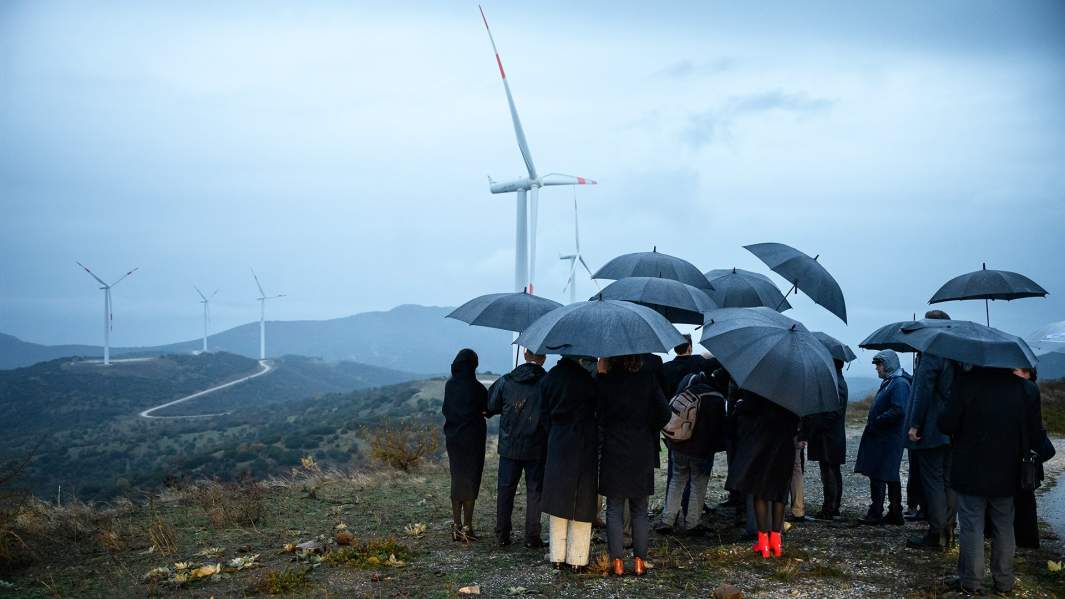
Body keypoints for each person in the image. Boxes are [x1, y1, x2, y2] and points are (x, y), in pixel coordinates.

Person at [938, 365, 1040, 596]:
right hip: (1010, 469)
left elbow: (946, 424)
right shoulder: (1027, 389)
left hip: (970, 468)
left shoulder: (966, 383)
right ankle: (1004, 582)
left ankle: (971, 582)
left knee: (972, 524)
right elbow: (1034, 431)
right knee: (1004, 524)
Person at [597, 355, 670, 576]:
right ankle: (639, 562)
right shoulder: (648, 379)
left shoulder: (607, 381)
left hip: (614, 450)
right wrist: (648, 428)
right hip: (642, 450)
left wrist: (600, 375)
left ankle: (617, 562)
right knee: (639, 510)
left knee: (614, 508)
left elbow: (597, 413)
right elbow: (665, 413)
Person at [539, 355, 599, 570]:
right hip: (584, 442)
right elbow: (597, 412)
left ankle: (556, 556)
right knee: (582, 501)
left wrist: (554, 432)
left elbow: (542, 413)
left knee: (558, 499)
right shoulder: (587, 380)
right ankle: (578, 559)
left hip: (557, 441)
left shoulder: (549, 379)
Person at [726, 390, 800, 558]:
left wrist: (738, 405)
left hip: (761, 447)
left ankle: (764, 543)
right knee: (779, 493)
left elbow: (739, 416)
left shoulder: (757, 391)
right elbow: (797, 423)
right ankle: (777, 542)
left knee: (761, 493)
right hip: (784, 448)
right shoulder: (792, 395)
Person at [905, 310, 957, 549]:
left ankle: (937, 534)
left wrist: (915, 424)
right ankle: (948, 530)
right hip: (954, 427)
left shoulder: (933, 351)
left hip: (932, 428)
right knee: (948, 480)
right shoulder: (960, 352)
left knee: (934, 480)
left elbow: (922, 391)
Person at [486, 349, 548, 548]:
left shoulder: (506, 381)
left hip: (509, 445)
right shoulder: (547, 383)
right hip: (537, 446)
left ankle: (502, 534)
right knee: (535, 491)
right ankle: (532, 536)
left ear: (525, 355)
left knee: (505, 489)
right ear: (543, 358)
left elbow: (490, 405)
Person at [657, 370, 726, 535]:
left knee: (676, 481)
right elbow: (719, 429)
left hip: (679, 446)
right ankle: (692, 523)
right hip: (701, 451)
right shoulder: (716, 398)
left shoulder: (685, 392)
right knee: (697, 485)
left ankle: (667, 520)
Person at [855, 350, 911, 526]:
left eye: (879, 365)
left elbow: (899, 409)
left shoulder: (899, 383)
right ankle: (894, 512)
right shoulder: (892, 382)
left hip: (888, 437)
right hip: (885, 437)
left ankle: (877, 512)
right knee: (887, 473)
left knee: (880, 473)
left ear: (887, 365)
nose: (877, 369)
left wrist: (878, 421)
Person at [442, 348, 488, 541]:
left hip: (453, 439)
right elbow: (488, 408)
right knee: (471, 480)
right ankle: (467, 527)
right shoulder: (477, 388)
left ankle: (456, 525)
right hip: (473, 440)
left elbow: (446, 409)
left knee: (457, 478)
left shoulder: (449, 385)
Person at [1011, 367, 1055, 549]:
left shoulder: (1027, 389)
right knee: (1024, 496)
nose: (1015, 373)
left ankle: (1026, 539)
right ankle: (1026, 539)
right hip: (1026, 452)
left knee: (1023, 497)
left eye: (1019, 370)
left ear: (1029, 373)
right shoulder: (1028, 388)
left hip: (1025, 452)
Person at [804, 358, 848, 521]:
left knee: (830, 472)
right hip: (829, 437)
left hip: (829, 437)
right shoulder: (836, 381)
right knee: (829, 471)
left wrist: (815, 426)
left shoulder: (836, 383)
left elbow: (834, 412)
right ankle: (830, 507)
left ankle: (831, 508)